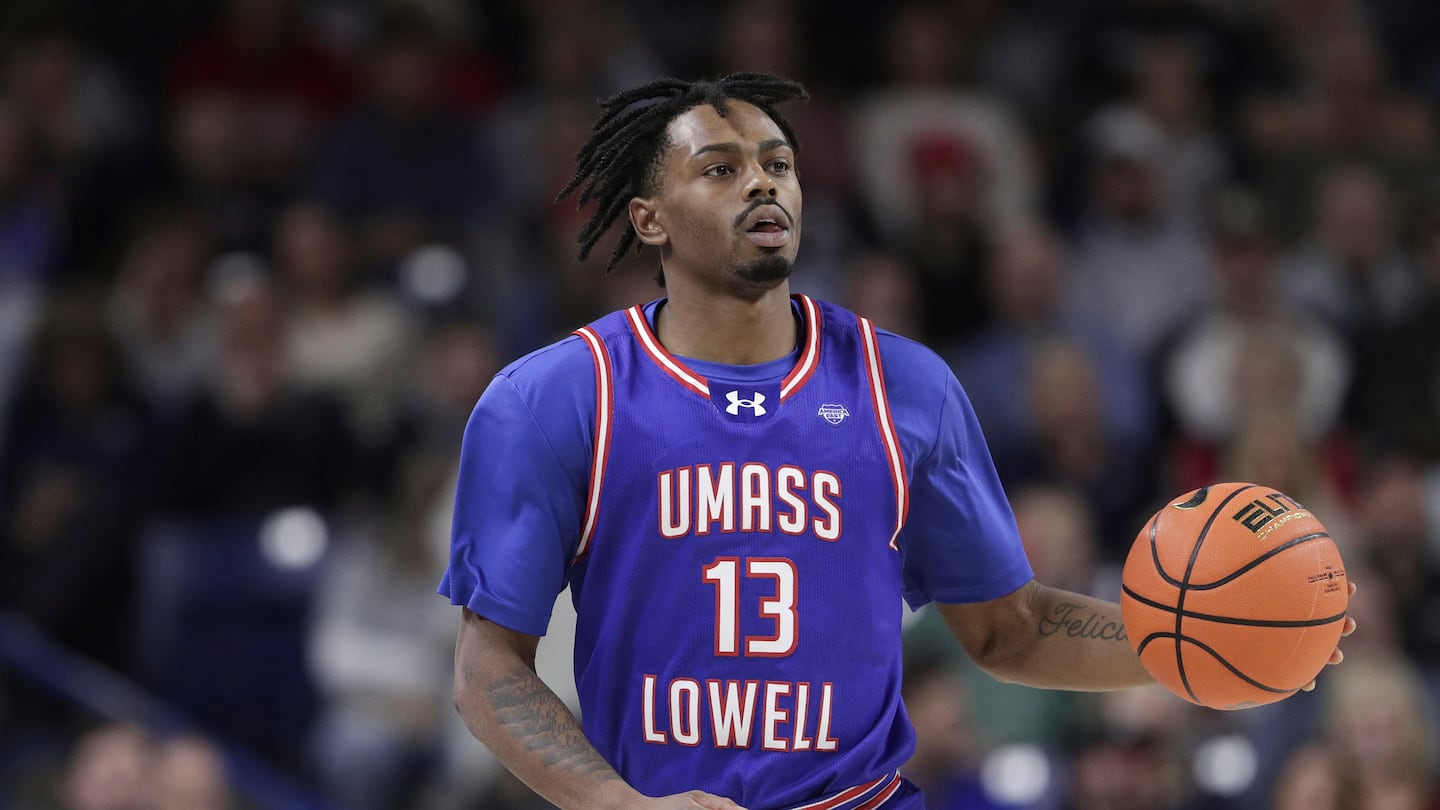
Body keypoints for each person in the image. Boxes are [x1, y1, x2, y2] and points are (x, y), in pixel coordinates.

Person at [438, 73, 1353, 810]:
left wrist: (1208, 639)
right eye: (719, 167)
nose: (763, 182)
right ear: (648, 219)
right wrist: (615, 806)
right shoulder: (556, 398)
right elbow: (488, 666)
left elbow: (1008, 628)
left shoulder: (905, 386)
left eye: (779, 163)